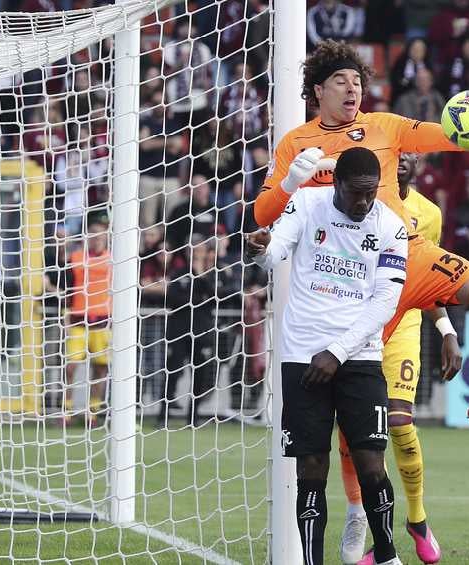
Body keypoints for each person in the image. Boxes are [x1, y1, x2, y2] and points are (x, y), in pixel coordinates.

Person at [252, 40, 469, 383]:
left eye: (357, 81)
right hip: (351, 277)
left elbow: (454, 136)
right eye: (341, 80)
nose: (352, 88)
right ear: (318, 89)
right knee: (354, 387)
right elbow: (262, 216)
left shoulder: (385, 126)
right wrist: (290, 183)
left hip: (407, 253)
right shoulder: (295, 143)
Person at [245, 148, 407, 565]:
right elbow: (276, 248)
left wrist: (337, 352)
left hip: (360, 356)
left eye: (370, 194)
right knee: (311, 467)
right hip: (302, 354)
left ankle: (387, 556)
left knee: (372, 464)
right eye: (356, 193)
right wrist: (263, 248)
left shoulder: (391, 226)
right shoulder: (306, 202)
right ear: (336, 184)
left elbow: (385, 302)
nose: (364, 203)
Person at [336, 153, 463, 565]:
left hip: (404, 321)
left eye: (414, 151)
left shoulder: (429, 214)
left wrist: (446, 329)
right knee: (352, 429)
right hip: (358, 320)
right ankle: (363, 517)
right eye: (399, 150)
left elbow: (429, 275)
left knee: (400, 422)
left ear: (423, 159)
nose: (406, 156)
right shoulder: (365, 203)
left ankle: (417, 519)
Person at [159, 236, 228, 427]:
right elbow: (172, 298)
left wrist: (199, 276)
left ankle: (193, 417)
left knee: (200, 376)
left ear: (206, 252)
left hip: (202, 332)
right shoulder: (179, 273)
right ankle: (162, 416)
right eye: (192, 250)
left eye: (199, 250)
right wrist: (197, 298)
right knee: (172, 373)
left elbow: (216, 297)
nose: (195, 254)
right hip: (179, 330)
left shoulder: (212, 274)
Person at [64, 217, 111, 424]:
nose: (97, 237)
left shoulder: (113, 260)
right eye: (93, 232)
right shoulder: (75, 258)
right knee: (71, 366)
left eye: (101, 233)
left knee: (100, 368)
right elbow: (66, 286)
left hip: (102, 321)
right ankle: (66, 410)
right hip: (78, 320)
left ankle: (93, 411)